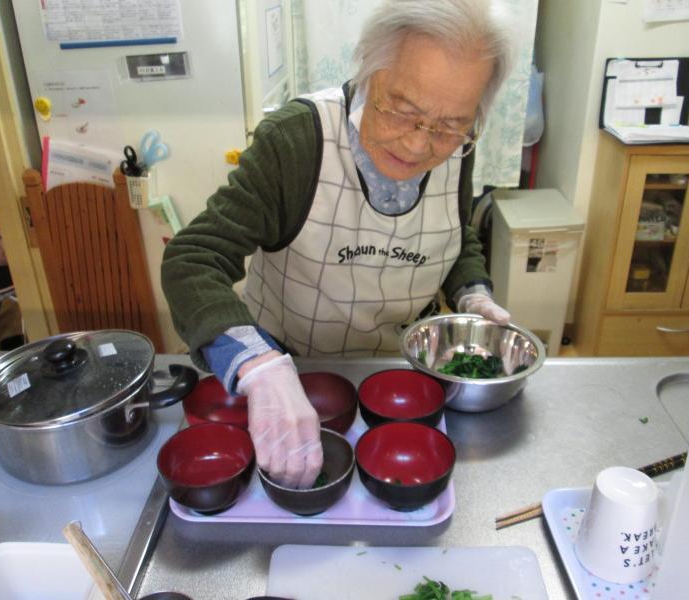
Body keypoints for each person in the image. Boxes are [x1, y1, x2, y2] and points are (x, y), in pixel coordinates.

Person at [162, 0, 515, 490]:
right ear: (368, 69)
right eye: (403, 112)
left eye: (451, 125)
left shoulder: (454, 148)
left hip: (394, 383)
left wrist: (473, 292)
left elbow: (453, 234)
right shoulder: (297, 142)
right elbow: (193, 258)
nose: (419, 145)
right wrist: (258, 368)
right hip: (291, 377)